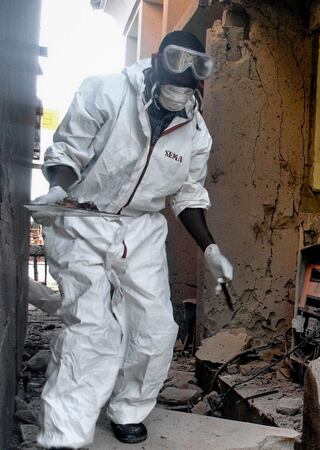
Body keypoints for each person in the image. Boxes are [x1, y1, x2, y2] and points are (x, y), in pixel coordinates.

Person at [30, 31, 233, 449]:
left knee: (157, 328)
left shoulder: (196, 133)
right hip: (84, 218)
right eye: (176, 65)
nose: (184, 81)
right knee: (92, 330)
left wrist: (210, 248)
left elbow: (187, 194)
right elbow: (67, 152)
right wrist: (59, 188)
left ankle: (128, 410)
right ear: (156, 60)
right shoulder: (105, 91)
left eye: (196, 71)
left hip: (142, 228)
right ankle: (65, 434)